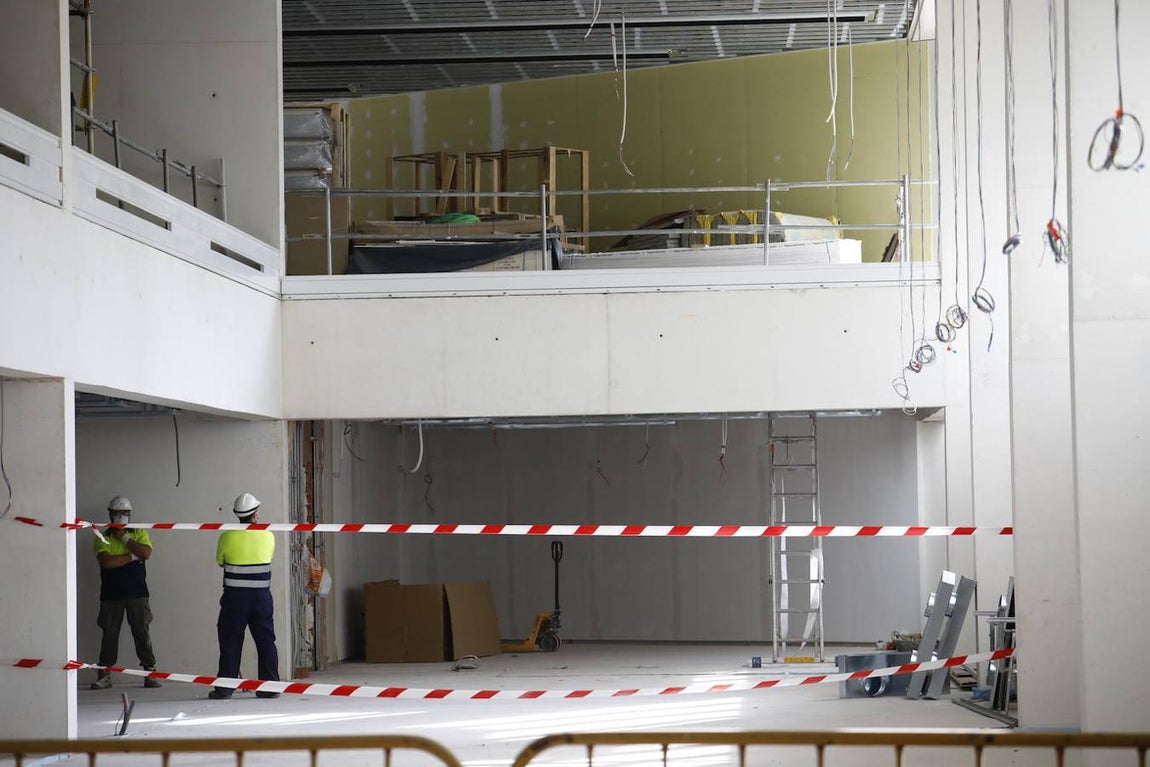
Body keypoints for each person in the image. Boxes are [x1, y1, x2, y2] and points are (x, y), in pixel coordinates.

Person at [209, 492, 281, 699]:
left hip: (235, 598)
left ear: (237, 514)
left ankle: (225, 688)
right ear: (255, 514)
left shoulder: (226, 536)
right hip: (261, 598)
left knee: (231, 640)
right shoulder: (268, 535)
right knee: (266, 640)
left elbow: (220, 561)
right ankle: (269, 688)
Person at [91, 495, 161, 689]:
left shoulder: (139, 533)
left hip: (137, 594)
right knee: (109, 634)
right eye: (118, 513)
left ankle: (150, 672)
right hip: (111, 595)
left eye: (125, 513)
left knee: (141, 632)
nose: (122, 517)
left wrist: (125, 537)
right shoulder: (102, 537)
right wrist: (132, 555)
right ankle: (104, 674)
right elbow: (107, 562)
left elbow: (146, 553)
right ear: (110, 515)